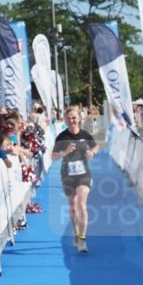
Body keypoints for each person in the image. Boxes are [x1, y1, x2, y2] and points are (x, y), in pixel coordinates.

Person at [51, 107, 97, 253]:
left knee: (82, 205)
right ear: (65, 120)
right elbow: (53, 156)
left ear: (79, 119)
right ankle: (76, 234)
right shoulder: (61, 137)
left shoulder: (85, 134)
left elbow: (96, 146)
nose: (72, 120)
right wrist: (65, 152)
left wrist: (92, 152)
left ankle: (82, 240)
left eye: (74, 117)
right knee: (73, 206)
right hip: (67, 175)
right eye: (69, 118)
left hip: (84, 174)